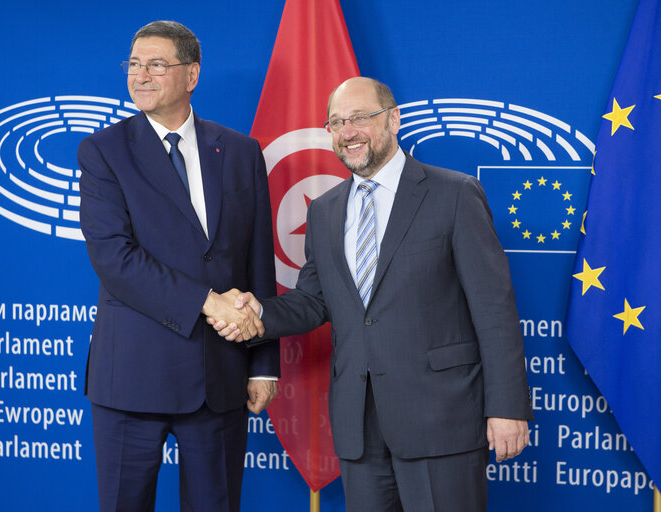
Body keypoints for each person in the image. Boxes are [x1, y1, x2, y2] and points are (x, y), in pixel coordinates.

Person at [214, 77, 533, 511]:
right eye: (336, 122)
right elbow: (314, 300)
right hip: (359, 428)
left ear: (394, 119)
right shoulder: (324, 211)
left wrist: (508, 407)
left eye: (360, 118)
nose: (348, 132)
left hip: (441, 420)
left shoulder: (454, 194)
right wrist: (257, 314)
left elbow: (494, 311)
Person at [78, 20, 278, 512]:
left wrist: (264, 364)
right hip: (131, 379)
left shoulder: (241, 151)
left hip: (220, 378)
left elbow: (256, 259)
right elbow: (116, 261)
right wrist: (210, 302)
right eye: (134, 64)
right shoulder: (103, 151)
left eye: (156, 65)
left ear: (191, 75)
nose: (140, 75)